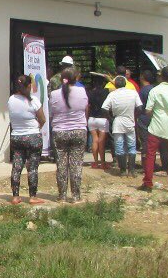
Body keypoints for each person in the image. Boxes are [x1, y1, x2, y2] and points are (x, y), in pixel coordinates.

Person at [137, 66, 168, 192]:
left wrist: (154, 114)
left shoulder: (155, 91)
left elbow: (147, 110)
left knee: (150, 155)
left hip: (156, 127)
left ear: (161, 76)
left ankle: (148, 183)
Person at [48, 68, 89, 202]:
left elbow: (51, 113)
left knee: (61, 164)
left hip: (59, 132)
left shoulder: (54, 94)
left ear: (61, 79)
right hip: (78, 130)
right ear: (76, 78)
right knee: (76, 164)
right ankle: (76, 196)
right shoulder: (82, 91)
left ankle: (62, 196)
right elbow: (85, 108)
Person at [7, 75, 47, 205]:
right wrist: (37, 128)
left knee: (16, 167)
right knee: (32, 168)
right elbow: (42, 119)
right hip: (33, 137)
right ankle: (33, 197)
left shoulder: (11, 100)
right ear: (29, 86)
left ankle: (15, 196)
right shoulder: (33, 100)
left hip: (16, 137)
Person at [102, 75, 141, 177]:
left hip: (117, 121)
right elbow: (140, 107)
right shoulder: (133, 93)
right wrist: (134, 116)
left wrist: (111, 119)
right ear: (125, 83)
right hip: (130, 121)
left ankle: (123, 170)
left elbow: (104, 108)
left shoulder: (112, 94)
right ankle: (132, 170)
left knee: (119, 147)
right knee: (132, 146)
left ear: (115, 84)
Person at [86, 76, 111, 170]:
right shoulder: (106, 92)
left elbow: (88, 106)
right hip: (103, 119)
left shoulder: (90, 93)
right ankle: (103, 163)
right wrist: (110, 79)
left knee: (95, 140)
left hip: (92, 119)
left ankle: (96, 162)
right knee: (101, 142)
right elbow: (117, 86)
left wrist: (86, 117)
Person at [135, 70, 155, 172]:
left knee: (144, 143)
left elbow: (138, 107)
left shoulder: (142, 91)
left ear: (142, 77)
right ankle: (152, 164)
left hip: (143, 119)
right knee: (152, 143)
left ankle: (145, 166)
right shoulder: (154, 90)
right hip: (154, 119)